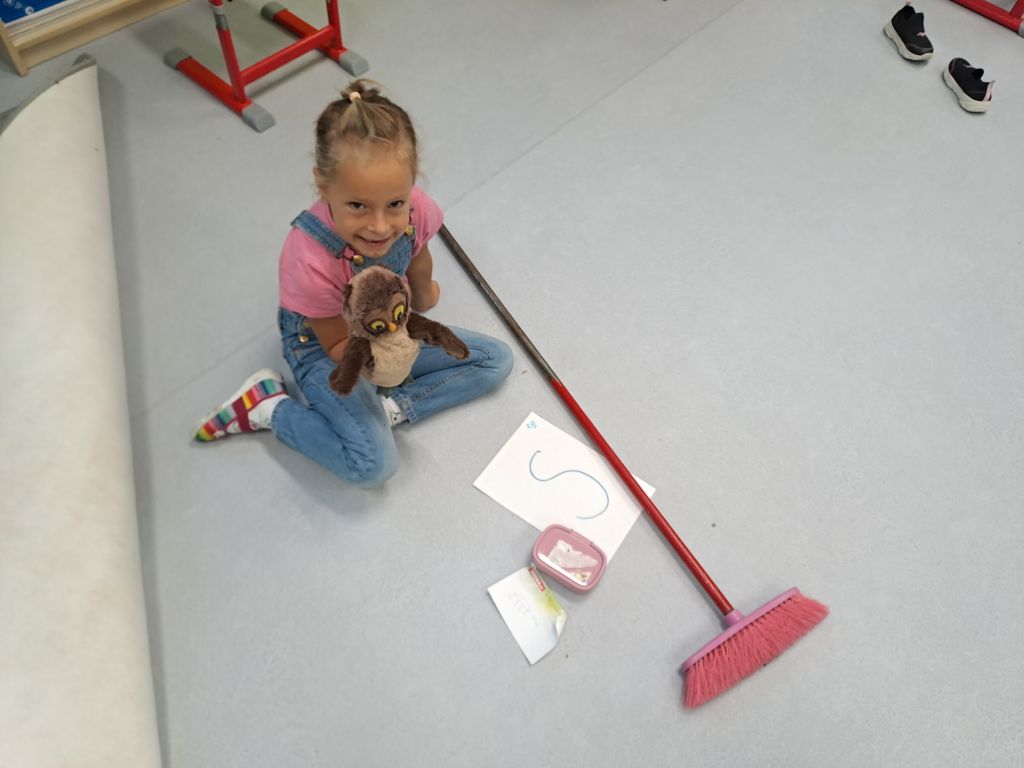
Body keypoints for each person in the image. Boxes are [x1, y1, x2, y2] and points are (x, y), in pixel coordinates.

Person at [194, 80, 512, 486]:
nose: (380, 226)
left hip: (387, 323)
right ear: (323, 185)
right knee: (373, 467)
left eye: (395, 204)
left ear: (411, 185)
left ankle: (392, 408)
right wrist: (392, 362)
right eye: (358, 205)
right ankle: (268, 407)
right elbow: (336, 343)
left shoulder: (419, 210)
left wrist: (423, 293)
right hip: (324, 344)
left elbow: (417, 254)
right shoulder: (307, 257)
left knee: (494, 360)